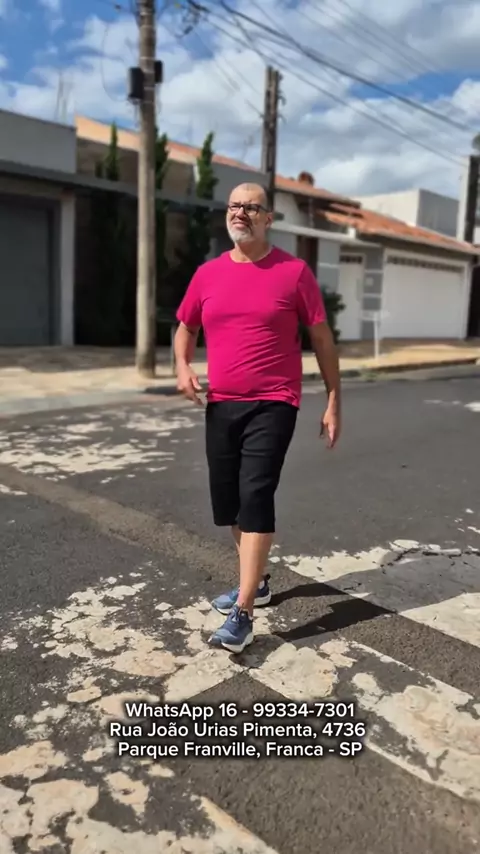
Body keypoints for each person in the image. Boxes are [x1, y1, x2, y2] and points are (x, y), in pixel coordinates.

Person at [174, 182, 341, 654]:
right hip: (222, 402)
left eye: (251, 206)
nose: (240, 212)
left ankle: (244, 611)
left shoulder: (294, 272)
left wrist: (333, 399)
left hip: (275, 401)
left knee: (255, 493)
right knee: (230, 503)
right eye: (234, 205)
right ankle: (259, 582)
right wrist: (182, 366)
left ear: (269, 218)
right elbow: (185, 327)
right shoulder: (207, 275)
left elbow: (322, 339)